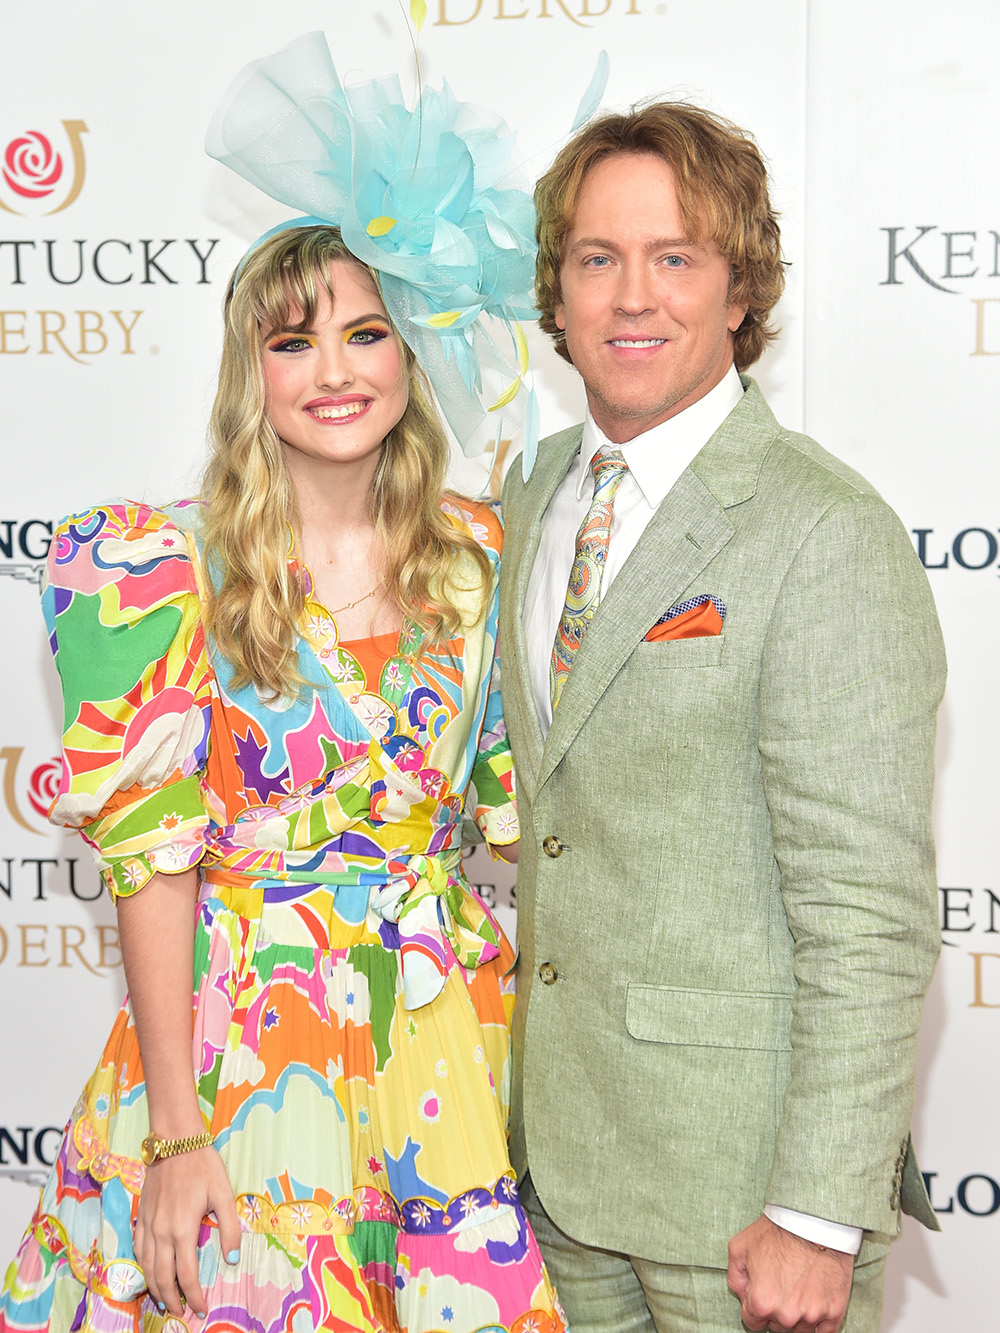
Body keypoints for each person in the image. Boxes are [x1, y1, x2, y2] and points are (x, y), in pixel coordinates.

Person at [0, 34, 565, 1333]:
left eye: (367, 334)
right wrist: (177, 1133)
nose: (335, 372)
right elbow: (153, 867)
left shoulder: (481, 559)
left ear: (409, 356)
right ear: (249, 369)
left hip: (443, 1060)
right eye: (294, 340)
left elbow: (518, 819)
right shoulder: (151, 574)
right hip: (240, 1050)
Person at [498, 102, 946, 1333]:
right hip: (558, 1174)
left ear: (740, 291)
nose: (631, 297)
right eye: (598, 259)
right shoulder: (533, 492)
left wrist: (814, 1210)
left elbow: (867, 905)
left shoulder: (821, 531)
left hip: (741, 1200)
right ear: (559, 292)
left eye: (674, 257)